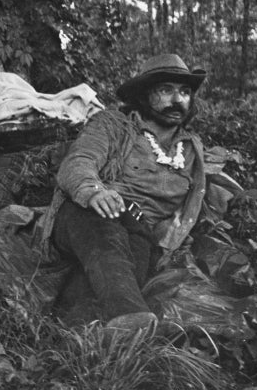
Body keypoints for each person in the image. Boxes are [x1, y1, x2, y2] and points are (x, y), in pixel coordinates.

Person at [43, 53, 208, 332]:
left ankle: (78, 345)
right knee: (106, 231)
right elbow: (78, 162)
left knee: (121, 267)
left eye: (184, 92)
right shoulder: (113, 124)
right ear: (144, 96)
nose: (177, 100)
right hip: (86, 214)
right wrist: (94, 192)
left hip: (140, 231)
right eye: (166, 90)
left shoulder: (192, 150)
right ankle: (131, 317)